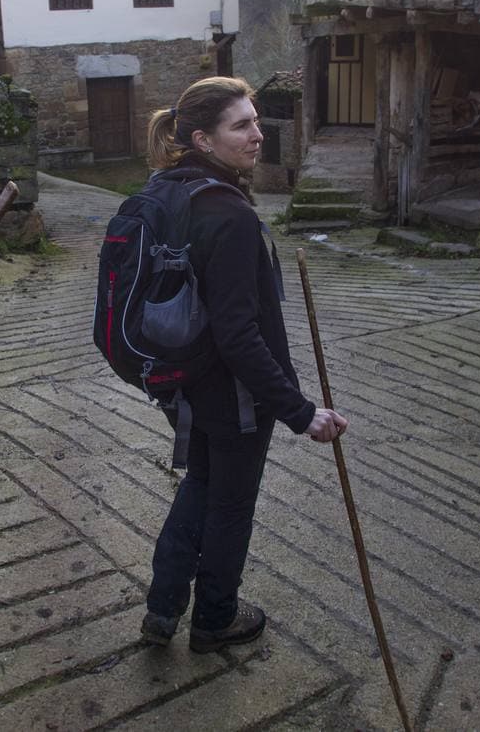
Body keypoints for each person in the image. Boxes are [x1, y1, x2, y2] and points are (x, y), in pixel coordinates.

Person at [139, 76, 348, 654]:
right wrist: (299, 411)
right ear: (203, 140)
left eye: (255, 121)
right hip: (232, 395)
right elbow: (238, 332)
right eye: (242, 125)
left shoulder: (167, 191)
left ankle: (161, 609)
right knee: (230, 505)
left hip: (187, 382)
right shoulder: (227, 215)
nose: (258, 135)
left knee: (201, 485)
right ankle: (215, 619)